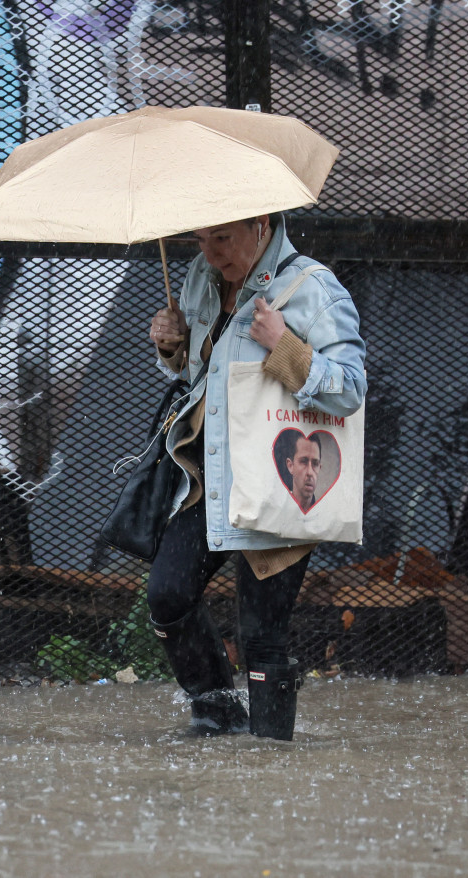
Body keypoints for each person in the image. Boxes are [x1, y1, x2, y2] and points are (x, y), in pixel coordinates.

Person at [145, 211, 366, 739]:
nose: (212, 254)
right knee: (168, 594)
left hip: (278, 478)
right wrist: (173, 347)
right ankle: (217, 719)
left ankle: (270, 763)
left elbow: (352, 388)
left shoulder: (313, 288)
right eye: (201, 240)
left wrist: (284, 345)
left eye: (223, 239)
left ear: (261, 225)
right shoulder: (201, 279)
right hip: (212, 476)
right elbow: (204, 376)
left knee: (263, 636)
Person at [286, 433, 322, 513]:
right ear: (290, 466)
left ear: (319, 468)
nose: (310, 472)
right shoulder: (277, 510)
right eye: (303, 462)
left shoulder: (325, 514)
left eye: (315, 464)